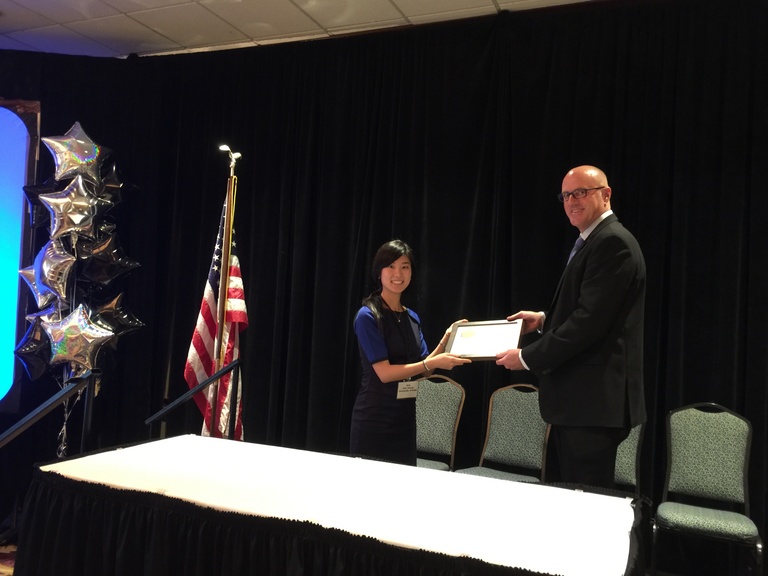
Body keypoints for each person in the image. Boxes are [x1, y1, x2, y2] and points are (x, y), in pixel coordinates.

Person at [496, 165, 646, 490]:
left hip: (592, 406)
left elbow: (589, 323)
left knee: (587, 505)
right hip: (582, 405)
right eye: (566, 195)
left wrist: (526, 358)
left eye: (581, 192)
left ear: (606, 195)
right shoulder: (593, 240)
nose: (571, 201)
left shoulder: (612, 243)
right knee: (576, 499)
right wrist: (543, 321)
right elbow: (593, 313)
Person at [350, 239, 470, 466]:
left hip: (404, 420)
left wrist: (446, 340)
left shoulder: (412, 317)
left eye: (405, 266)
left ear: (412, 273)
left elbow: (425, 369)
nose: (398, 273)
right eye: (391, 266)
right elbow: (384, 373)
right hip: (374, 419)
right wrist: (429, 364)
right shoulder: (367, 316)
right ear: (379, 271)